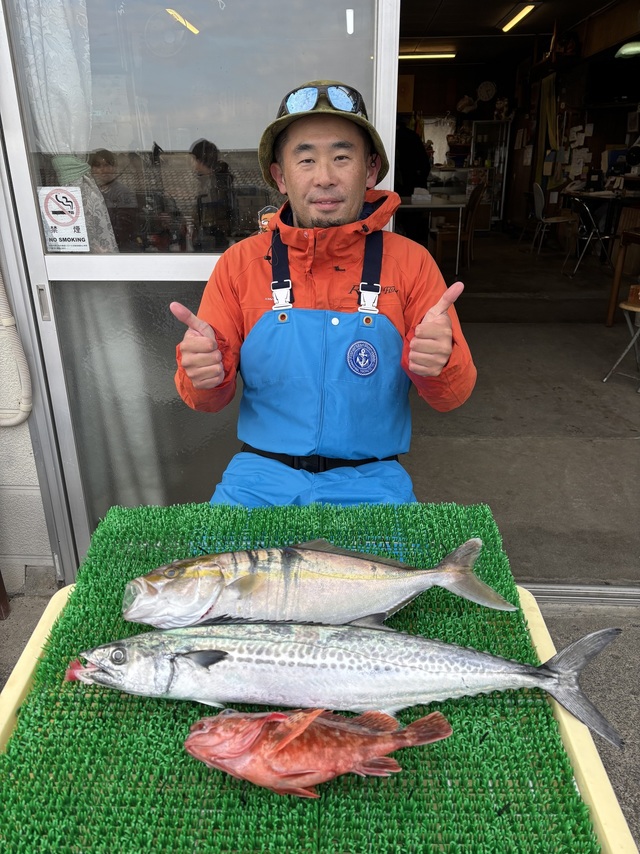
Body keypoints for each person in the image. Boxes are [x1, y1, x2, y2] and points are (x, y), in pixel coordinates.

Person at [170, 80, 476, 507]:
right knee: (214, 554)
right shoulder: (240, 264)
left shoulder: (411, 263)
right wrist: (204, 375)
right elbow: (205, 400)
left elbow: (452, 396)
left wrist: (438, 365)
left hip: (374, 481)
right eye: (306, 159)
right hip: (258, 480)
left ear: (370, 170)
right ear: (280, 176)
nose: (325, 177)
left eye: (342, 157)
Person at [189, 138, 235, 251]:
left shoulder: (215, 184)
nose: (192, 164)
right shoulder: (206, 181)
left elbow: (211, 214)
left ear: (201, 160)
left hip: (212, 237)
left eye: (193, 159)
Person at [89, 149, 139, 252]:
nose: (103, 170)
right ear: (92, 169)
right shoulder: (89, 193)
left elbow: (125, 229)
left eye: (107, 165)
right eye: (98, 166)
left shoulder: (124, 193)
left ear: (114, 167)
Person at [394, 115, 432, 197]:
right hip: (414, 184)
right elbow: (425, 165)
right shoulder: (413, 136)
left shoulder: (393, 137)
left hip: (401, 185)